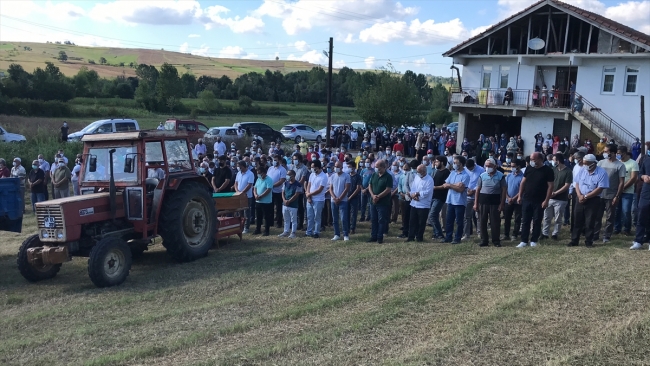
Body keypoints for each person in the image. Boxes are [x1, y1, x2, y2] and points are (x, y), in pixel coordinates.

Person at [569, 154, 609, 247]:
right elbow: (577, 183)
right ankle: (574, 240)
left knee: (590, 221)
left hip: (593, 199)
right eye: (583, 163)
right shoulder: (582, 170)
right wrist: (579, 196)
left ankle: (588, 241)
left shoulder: (602, 173)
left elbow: (599, 188)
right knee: (577, 220)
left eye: (586, 164)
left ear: (592, 163)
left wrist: (586, 196)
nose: (584, 165)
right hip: (580, 197)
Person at [516, 152, 554, 248]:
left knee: (537, 220)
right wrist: (520, 196)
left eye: (533, 159)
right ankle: (524, 240)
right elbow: (523, 183)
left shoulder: (548, 170)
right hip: (527, 199)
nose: (532, 161)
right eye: (531, 159)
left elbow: (550, 186)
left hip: (539, 200)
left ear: (540, 159)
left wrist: (546, 200)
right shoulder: (529, 168)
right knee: (525, 220)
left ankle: (534, 240)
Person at [593, 144, 626, 243]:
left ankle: (606, 236)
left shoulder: (620, 165)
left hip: (611, 195)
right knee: (597, 216)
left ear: (612, 153)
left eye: (606, 151)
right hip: (599, 194)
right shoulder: (600, 163)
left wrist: (617, 196)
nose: (604, 153)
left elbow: (621, 182)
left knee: (610, 217)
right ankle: (595, 234)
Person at [473, 158, 506, 247]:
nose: (487, 168)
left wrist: (502, 203)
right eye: (486, 166)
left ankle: (496, 240)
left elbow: (503, 190)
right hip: (483, 202)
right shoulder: (482, 176)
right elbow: (478, 190)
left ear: (495, 166)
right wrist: (476, 203)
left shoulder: (501, 176)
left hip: (495, 202)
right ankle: (484, 240)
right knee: (482, 221)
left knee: (495, 222)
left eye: (489, 166)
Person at [541, 153, 573, 240]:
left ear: (558, 161)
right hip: (550, 198)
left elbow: (567, 185)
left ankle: (555, 234)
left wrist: (556, 193)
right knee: (547, 217)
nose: (552, 161)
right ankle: (545, 233)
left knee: (558, 218)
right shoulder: (552, 169)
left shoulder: (568, 171)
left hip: (561, 199)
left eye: (553, 160)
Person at [440, 156, 469, 244]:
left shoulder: (465, 175)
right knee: (449, 220)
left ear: (461, 164)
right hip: (450, 200)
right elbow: (445, 184)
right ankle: (448, 237)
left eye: (456, 163)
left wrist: (450, 185)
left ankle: (457, 238)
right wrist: (455, 185)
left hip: (459, 202)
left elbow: (461, 190)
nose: (454, 164)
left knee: (459, 221)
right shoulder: (452, 173)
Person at [403, 164, 434, 242]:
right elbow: (413, 187)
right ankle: (411, 237)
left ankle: (419, 237)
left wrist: (417, 194)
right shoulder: (417, 177)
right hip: (414, 203)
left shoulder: (429, 180)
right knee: (412, 221)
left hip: (423, 204)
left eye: (419, 171)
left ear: (424, 171)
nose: (417, 173)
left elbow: (427, 192)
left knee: (421, 222)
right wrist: (413, 195)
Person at [367, 159, 393, 244]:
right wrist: (373, 195)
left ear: (382, 167)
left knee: (381, 220)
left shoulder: (388, 177)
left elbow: (388, 189)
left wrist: (378, 196)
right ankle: (373, 236)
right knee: (374, 219)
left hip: (383, 203)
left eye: (377, 167)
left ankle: (379, 237)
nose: (375, 168)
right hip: (373, 202)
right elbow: (370, 185)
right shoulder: (374, 175)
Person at [615, 146, 638, 236]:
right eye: (617, 153)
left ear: (624, 153)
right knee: (617, 210)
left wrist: (623, 187)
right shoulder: (618, 163)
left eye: (619, 153)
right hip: (617, 191)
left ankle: (627, 228)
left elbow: (633, 178)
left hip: (627, 191)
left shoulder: (633, 163)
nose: (618, 155)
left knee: (626, 211)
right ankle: (617, 227)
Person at [631, 147, 650, 250]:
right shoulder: (646, 160)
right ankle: (638, 240)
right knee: (641, 215)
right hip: (646, 192)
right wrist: (643, 177)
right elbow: (640, 173)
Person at [428, 156, 450, 240]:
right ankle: (435, 233)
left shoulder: (446, 172)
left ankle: (439, 234)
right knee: (434, 216)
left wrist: (436, 187)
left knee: (432, 215)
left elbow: (446, 185)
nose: (435, 163)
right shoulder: (437, 171)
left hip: (440, 197)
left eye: (437, 162)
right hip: (433, 196)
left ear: (442, 162)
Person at [305, 160, 328, 238]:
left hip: (319, 200)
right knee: (309, 216)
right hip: (310, 199)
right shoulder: (312, 174)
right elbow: (309, 185)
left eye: (313, 167)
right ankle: (308, 231)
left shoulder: (324, 176)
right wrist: (308, 196)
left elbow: (320, 189)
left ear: (317, 167)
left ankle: (316, 232)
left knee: (317, 217)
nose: (311, 169)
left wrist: (309, 194)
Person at [329, 161, 351, 241]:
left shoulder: (346, 176)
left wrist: (340, 198)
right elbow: (330, 188)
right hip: (333, 200)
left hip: (343, 200)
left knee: (343, 218)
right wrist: (334, 198)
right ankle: (336, 234)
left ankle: (345, 234)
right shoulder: (332, 176)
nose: (336, 168)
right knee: (335, 219)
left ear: (341, 167)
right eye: (335, 166)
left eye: (338, 166)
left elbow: (347, 188)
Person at [463, 158, 484, 240]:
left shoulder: (481, 169)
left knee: (478, 215)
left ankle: (480, 232)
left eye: (471, 168)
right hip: (467, 195)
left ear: (474, 165)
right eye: (468, 168)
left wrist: (474, 190)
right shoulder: (465, 169)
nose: (469, 170)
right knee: (466, 216)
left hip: (477, 195)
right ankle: (466, 234)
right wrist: (467, 190)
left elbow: (482, 182)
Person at [503, 159, 524, 241]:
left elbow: (522, 190)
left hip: (518, 201)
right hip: (508, 201)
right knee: (507, 219)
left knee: (517, 219)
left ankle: (514, 234)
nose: (512, 168)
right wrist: (508, 198)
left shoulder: (522, 177)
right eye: (511, 166)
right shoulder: (508, 176)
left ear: (518, 166)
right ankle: (506, 234)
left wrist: (514, 198)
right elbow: (504, 188)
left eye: (514, 166)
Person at [279, 170, 303, 238]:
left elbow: (296, 195)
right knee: (286, 219)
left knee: (293, 220)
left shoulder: (298, 184)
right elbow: (283, 192)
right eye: (287, 174)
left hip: (293, 205)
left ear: (293, 175)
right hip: (285, 204)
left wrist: (289, 201)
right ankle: (285, 231)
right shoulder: (285, 183)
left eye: (289, 174)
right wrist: (284, 200)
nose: (287, 176)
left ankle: (293, 233)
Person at [397, 160, 416, 239]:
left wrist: (412, 195)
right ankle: (405, 231)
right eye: (403, 168)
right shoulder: (404, 175)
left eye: (406, 169)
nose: (405, 170)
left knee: (412, 217)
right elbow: (403, 185)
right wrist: (401, 193)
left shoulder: (415, 175)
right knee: (405, 215)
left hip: (414, 198)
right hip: (406, 197)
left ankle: (412, 232)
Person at [235, 161, 255, 234]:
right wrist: (237, 191)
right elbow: (236, 183)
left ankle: (246, 227)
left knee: (246, 212)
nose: (238, 168)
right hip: (239, 195)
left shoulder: (250, 174)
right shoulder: (238, 173)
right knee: (240, 211)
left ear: (243, 166)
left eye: (239, 166)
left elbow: (249, 185)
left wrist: (242, 192)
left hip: (247, 196)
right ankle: (240, 226)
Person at [253, 165, 273, 236]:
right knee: (258, 216)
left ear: (264, 173)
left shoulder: (269, 179)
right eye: (257, 173)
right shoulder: (258, 179)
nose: (258, 175)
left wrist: (261, 196)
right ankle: (258, 229)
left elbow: (268, 189)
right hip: (258, 201)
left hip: (266, 202)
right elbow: (255, 188)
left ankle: (266, 230)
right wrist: (255, 195)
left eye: (260, 173)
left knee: (266, 217)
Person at [268, 155, 287, 229]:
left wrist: (272, 185)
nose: (274, 161)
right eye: (273, 160)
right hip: (270, 191)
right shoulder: (270, 168)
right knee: (270, 207)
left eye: (275, 160)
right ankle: (270, 222)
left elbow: (282, 181)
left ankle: (279, 223)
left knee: (279, 208)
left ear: (279, 161)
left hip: (278, 191)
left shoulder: (282, 170)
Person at [347, 161, 362, 235]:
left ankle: (352, 228)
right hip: (346, 197)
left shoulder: (358, 176)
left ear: (353, 167)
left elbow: (358, 188)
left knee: (353, 214)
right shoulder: (347, 175)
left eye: (349, 167)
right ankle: (347, 227)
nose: (348, 168)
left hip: (354, 198)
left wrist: (350, 197)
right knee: (347, 213)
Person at [359, 157, 374, 222]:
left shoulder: (373, 171)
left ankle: (369, 216)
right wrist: (362, 189)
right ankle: (362, 216)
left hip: (370, 190)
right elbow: (360, 181)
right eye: (366, 162)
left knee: (369, 204)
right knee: (363, 204)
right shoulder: (363, 170)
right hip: (363, 190)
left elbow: (373, 182)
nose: (366, 163)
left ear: (370, 163)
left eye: (368, 162)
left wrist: (367, 189)